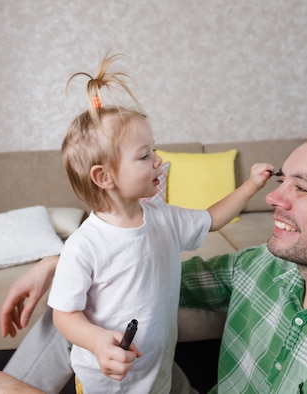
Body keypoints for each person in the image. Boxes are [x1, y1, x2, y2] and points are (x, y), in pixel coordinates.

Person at [0, 122, 307, 394]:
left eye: (301, 189)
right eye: (281, 179)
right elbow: (142, 275)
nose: (273, 200)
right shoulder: (260, 268)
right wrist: (61, 264)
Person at [37, 53, 272, 394]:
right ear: (104, 177)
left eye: (154, 150)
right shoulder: (84, 245)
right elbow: (64, 315)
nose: (158, 161)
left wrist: (251, 185)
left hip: (158, 369)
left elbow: (212, 218)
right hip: (108, 383)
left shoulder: (164, 218)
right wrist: (99, 341)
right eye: (144, 155)